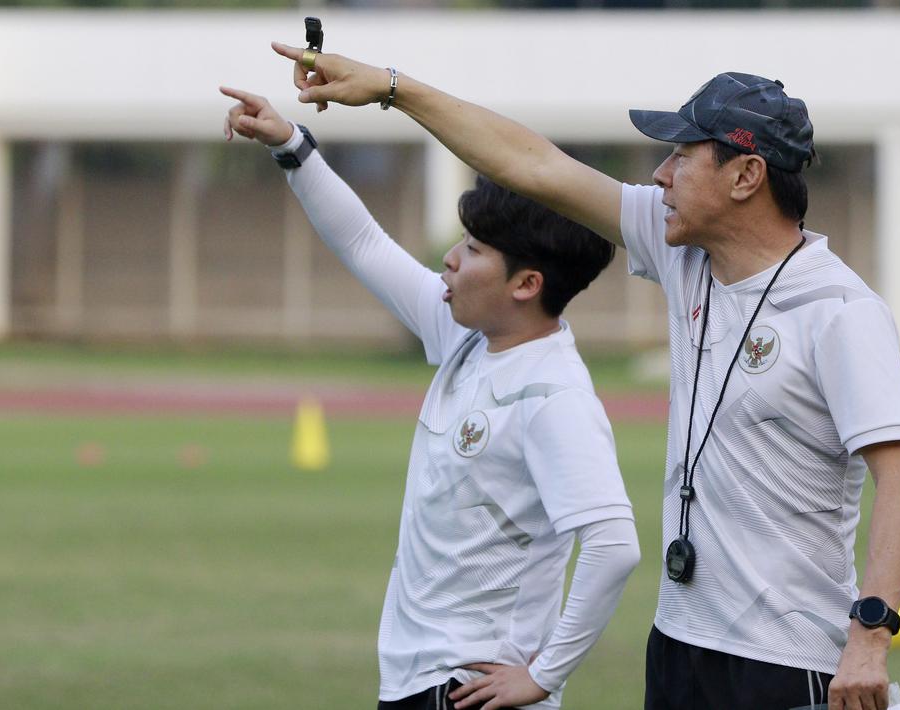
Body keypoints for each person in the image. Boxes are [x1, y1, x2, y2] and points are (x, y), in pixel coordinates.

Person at [270, 44, 900, 710]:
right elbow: (531, 165)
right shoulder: (682, 254)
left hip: (785, 660)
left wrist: (870, 636)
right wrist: (391, 88)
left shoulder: (840, 312)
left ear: (745, 175)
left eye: (680, 156)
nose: (659, 174)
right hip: (676, 646)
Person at [218, 86, 641, 710]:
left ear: (527, 283)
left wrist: (544, 676)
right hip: (419, 683)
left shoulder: (554, 395)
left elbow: (614, 547)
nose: (449, 258)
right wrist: (292, 146)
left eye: (472, 250)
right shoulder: (468, 336)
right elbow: (364, 244)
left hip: (470, 690)